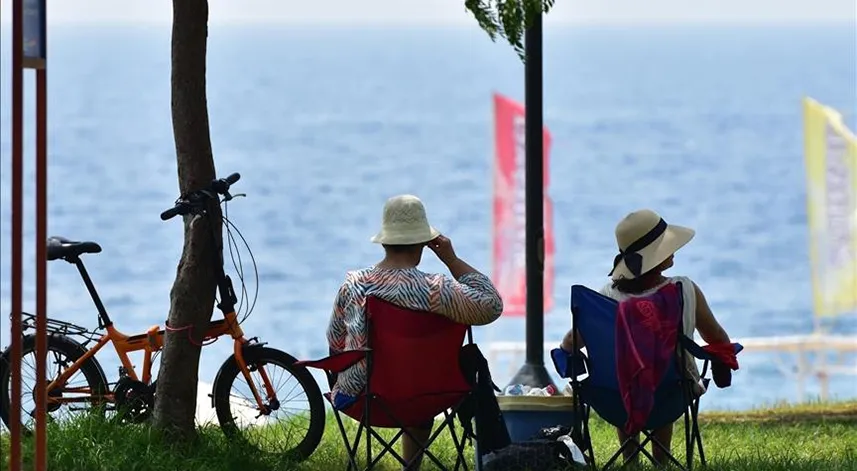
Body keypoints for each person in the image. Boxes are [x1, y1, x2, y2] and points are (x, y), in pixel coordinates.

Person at [326, 194, 504, 470]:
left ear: (384, 241)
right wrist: (451, 260)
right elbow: (491, 305)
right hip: (430, 396)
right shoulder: (437, 290)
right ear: (423, 243)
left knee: (400, 373)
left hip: (365, 398)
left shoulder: (355, 285)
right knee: (459, 362)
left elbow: (335, 340)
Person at [561, 209, 732, 466]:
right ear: (654, 256)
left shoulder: (605, 298)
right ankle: (661, 463)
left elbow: (569, 344)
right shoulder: (683, 291)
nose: (673, 249)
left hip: (614, 399)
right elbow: (716, 336)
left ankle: (631, 461)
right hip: (672, 394)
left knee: (628, 375)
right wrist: (724, 359)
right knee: (660, 376)